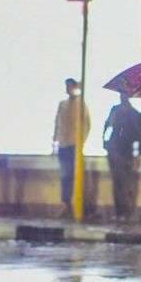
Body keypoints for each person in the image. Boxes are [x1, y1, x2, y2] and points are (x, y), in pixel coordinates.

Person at [52, 78, 91, 220]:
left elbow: (87, 124)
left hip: (74, 145)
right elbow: (57, 124)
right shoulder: (62, 105)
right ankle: (65, 203)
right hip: (63, 144)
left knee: (74, 176)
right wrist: (55, 142)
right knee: (64, 175)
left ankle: (75, 205)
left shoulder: (81, 104)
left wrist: (81, 141)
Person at [103, 93, 141, 223]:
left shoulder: (135, 114)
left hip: (126, 151)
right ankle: (119, 211)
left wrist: (137, 154)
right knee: (117, 182)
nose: (122, 97)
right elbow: (107, 125)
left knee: (126, 183)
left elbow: (139, 136)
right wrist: (105, 142)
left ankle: (126, 212)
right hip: (114, 150)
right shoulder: (115, 110)